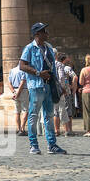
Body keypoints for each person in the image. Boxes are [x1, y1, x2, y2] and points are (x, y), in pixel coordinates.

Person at [20, 22, 66, 155]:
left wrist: (58, 84)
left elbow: (53, 68)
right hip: (36, 86)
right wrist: (38, 73)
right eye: (44, 31)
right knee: (34, 115)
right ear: (37, 34)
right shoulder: (29, 48)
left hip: (49, 85)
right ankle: (33, 144)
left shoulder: (49, 47)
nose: (47, 33)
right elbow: (22, 66)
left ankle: (52, 144)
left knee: (49, 115)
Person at [53, 52, 77, 137]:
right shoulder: (65, 67)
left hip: (54, 91)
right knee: (66, 111)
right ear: (63, 59)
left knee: (56, 111)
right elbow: (74, 77)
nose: (69, 59)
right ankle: (68, 130)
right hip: (64, 91)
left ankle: (57, 130)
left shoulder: (52, 65)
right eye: (67, 58)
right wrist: (73, 88)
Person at [7, 64, 28, 135]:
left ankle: (18, 129)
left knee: (17, 111)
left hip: (15, 90)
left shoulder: (12, 70)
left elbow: (9, 83)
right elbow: (22, 83)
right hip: (23, 91)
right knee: (25, 110)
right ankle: (22, 129)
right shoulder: (24, 70)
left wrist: (13, 92)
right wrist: (18, 93)